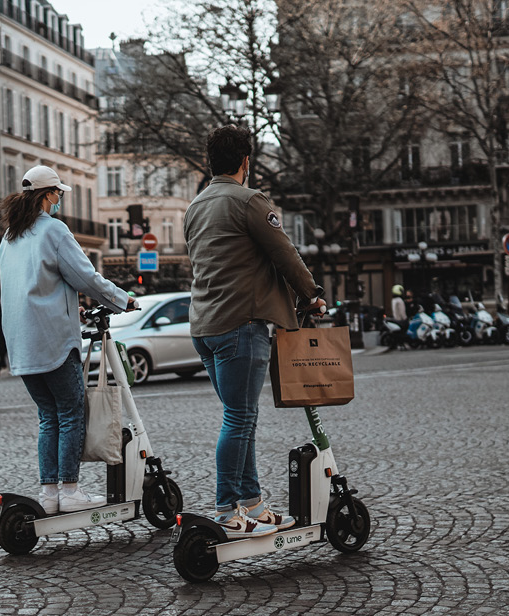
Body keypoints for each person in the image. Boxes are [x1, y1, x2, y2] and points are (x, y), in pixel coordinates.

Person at [184, 124, 325, 539]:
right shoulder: (249, 201)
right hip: (241, 324)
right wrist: (312, 295)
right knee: (240, 418)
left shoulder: (196, 206)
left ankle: (254, 505)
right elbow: (285, 254)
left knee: (241, 418)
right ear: (247, 161)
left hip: (205, 326)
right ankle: (227, 508)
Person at [0, 164, 136, 514]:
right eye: (58, 193)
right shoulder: (53, 231)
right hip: (53, 339)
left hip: (21, 343)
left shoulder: (10, 237)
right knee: (71, 412)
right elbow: (85, 278)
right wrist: (124, 300)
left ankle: (50, 494)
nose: (60, 199)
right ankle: (71, 491)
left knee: (49, 416)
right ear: (47, 195)